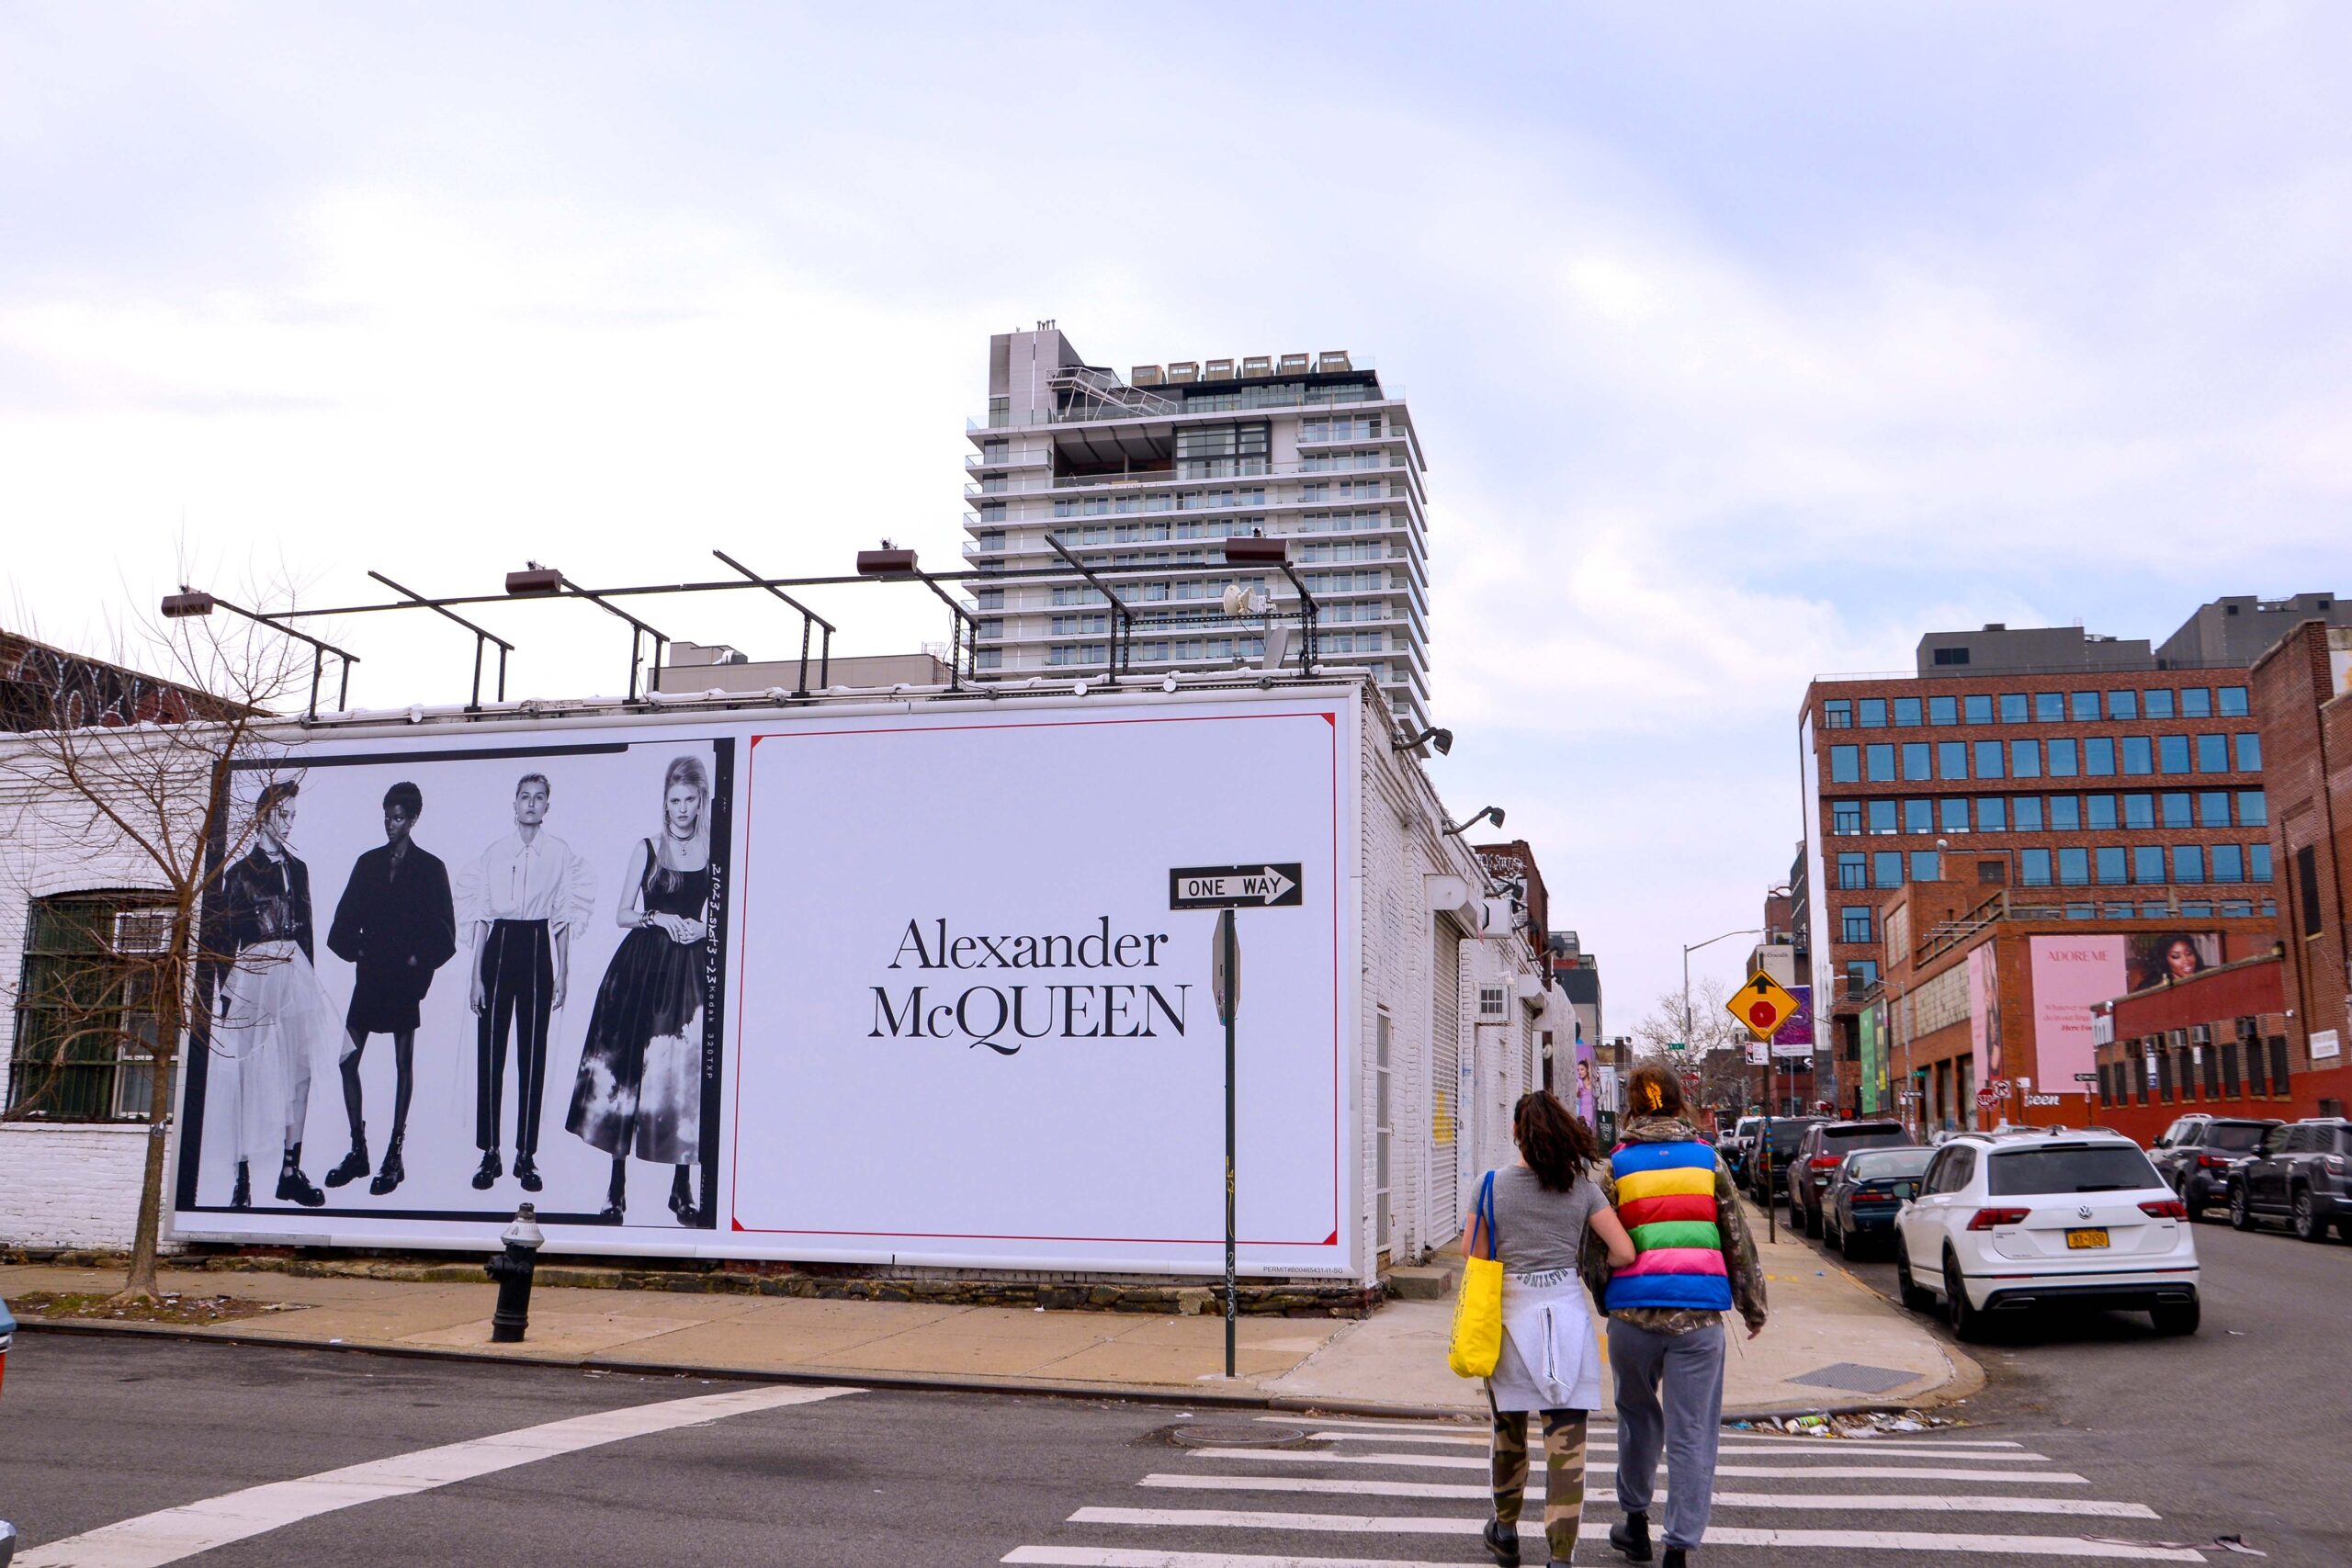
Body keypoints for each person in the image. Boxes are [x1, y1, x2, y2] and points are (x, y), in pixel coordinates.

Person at [1590, 1063, 1768, 1568]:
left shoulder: (1617, 1166)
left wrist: (1609, 1299)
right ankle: (1678, 1548)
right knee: (1692, 1433)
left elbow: (1594, 1247)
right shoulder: (1708, 1162)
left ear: (1633, 1105)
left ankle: (1634, 1524)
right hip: (1699, 1319)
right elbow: (1736, 1236)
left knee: (1637, 1419)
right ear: (1677, 1101)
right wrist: (1752, 1306)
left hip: (1633, 1318)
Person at [1465, 1091, 1636, 1568]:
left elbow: (1474, 1253)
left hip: (1508, 1322)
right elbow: (1622, 1252)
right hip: (1567, 1321)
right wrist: (1580, 1261)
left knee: (1509, 1435)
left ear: (1518, 1133)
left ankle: (1505, 1532)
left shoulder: (1489, 1186)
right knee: (1567, 1449)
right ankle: (1561, 1557)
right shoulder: (1582, 1189)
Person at [565, 757, 714, 1225]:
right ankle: (616, 1189)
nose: (682, 810)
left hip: (688, 970)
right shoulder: (648, 847)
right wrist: (661, 918)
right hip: (643, 966)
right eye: (674, 801)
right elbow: (622, 913)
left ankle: (681, 1189)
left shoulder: (715, 848)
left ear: (701, 800)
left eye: (690, 800)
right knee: (628, 1071)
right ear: (664, 801)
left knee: (682, 1076)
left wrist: (704, 926)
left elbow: (722, 908)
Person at [205, 780, 339, 1210]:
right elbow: (223, 938)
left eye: (294, 815)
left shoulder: (298, 869)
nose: (288, 822)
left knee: (300, 1070)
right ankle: (242, 1177)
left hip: (294, 970)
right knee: (250, 1073)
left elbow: (309, 929)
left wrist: (311, 983)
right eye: (282, 813)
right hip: (255, 971)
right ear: (263, 815)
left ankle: (289, 1169)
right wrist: (227, 994)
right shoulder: (241, 873)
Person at [458, 773, 594, 1194]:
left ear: (547, 806)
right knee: (492, 1052)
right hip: (499, 946)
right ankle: (491, 1153)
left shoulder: (559, 854)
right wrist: (476, 975)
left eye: (538, 798)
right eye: (524, 797)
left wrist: (564, 970)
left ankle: (525, 1155)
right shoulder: (495, 853)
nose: (531, 804)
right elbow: (481, 914)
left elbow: (563, 917)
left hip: (537, 946)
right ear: (513, 804)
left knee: (532, 1056)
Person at [322, 781, 456, 1196]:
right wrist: (358, 948)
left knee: (402, 1064)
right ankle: (358, 1150)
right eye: (386, 816)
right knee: (347, 1060)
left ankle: (393, 1156)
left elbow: (446, 933)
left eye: (398, 818)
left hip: (403, 979)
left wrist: (417, 963)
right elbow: (341, 923)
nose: (390, 825)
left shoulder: (430, 868)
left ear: (413, 820)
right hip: (370, 976)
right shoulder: (367, 863)